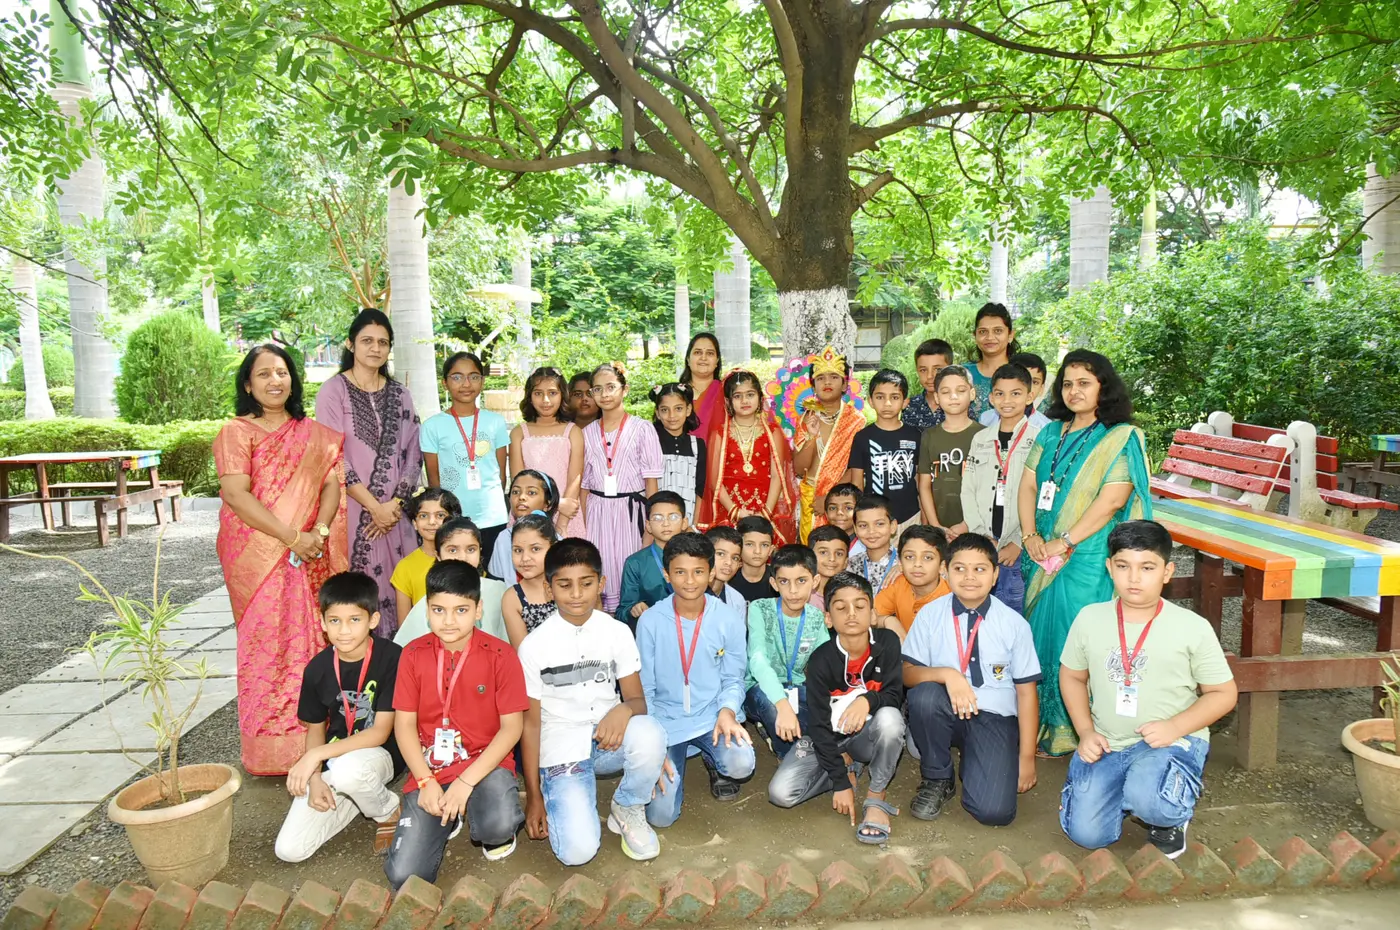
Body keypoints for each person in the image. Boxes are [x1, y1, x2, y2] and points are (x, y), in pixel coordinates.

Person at [1058, 521, 1237, 859]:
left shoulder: (1192, 627)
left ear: (1167, 572)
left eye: (1147, 567)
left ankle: (1168, 817)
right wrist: (1085, 731)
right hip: (1109, 742)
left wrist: (1175, 726)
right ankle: (1123, 791)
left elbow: (1223, 693)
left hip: (1172, 741)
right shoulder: (1089, 619)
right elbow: (1071, 676)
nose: (1134, 578)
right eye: (1123, 566)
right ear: (1109, 567)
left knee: (1152, 799)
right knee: (1087, 835)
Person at [215, 344, 349, 775]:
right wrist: (292, 537)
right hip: (259, 557)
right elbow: (236, 495)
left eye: (282, 372)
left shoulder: (315, 434)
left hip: (310, 554)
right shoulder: (237, 433)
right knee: (267, 649)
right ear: (247, 384)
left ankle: (320, 742)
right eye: (264, 374)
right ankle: (271, 751)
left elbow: (331, 484)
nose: (275, 381)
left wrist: (318, 535)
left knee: (315, 644)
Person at [1017, 349, 1153, 757]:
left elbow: (1113, 500)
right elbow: (1027, 486)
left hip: (1088, 554)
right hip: (1040, 550)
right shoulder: (1049, 433)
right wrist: (1029, 535)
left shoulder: (1120, 437)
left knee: (1076, 637)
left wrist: (1066, 541)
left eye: (1084, 383)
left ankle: (1080, 730)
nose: (1074, 391)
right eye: (1068, 383)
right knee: (1040, 634)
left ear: (1103, 387)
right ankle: (1039, 724)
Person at [520, 539, 669, 865]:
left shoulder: (617, 632)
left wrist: (624, 709)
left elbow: (637, 701)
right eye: (564, 585)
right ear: (548, 589)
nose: (576, 594)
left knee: (650, 733)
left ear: (601, 584)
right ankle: (559, 787)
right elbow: (529, 726)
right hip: (561, 748)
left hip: (608, 739)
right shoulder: (533, 646)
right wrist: (534, 796)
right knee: (577, 853)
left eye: (586, 583)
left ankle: (628, 805)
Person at [383, 561, 526, 888]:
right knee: (404, 876)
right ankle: (448, 814)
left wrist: (464, 782)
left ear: (478, 610)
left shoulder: (501, 655)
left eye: (461, 610)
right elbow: (404, 726)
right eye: (439, 610)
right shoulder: (412, 654)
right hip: (430, 767)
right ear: (427, 611)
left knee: (497, 825)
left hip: (484, 763)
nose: (449, 621)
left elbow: (512, 729)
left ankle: (471, 809)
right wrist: (424, 780)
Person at [902, 534, 1041, 826]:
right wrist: (947, 674)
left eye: (979, 569)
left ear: (995, 575)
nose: (969, 577)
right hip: (945, 708)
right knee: (923, 696)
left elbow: (1027, 692)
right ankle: (938, 777)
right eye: (959, 568)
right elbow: (908, 673)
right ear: (945, 571)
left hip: (994, 716)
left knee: (995, 813)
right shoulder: (930, 615)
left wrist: (1027, 757)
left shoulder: (1014, 624)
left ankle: (976, 758)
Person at [768, 572, 906, 845]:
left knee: (891, 719)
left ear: (872, 614)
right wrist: (840, 783)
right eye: (841, 608)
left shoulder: (888, 642)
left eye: (860, 606)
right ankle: (844, 766)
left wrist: (866, 700)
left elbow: (894, 695)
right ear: (828, 618)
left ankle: (876, 796)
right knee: (781, 794)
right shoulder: (820, 659)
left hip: (868, 737)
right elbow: (818, 726)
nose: (851, 614)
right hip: (829, 739)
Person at [275, 572, 403, 862]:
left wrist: (314, 757)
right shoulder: (316, 669)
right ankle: (358, 796)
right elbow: (315, 728)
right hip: (337, 761)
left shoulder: (392, 658)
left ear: (373, 620)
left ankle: (387, 810)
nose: (344, 630)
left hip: (381, 755)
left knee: (349, 772)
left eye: (354, 619)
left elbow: (380, 732)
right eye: (334, 620)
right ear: (322, 623)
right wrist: (315, 778)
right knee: (289, 850)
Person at [314, 309, 422, 636]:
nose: (375, 348)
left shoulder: (401, 395)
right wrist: (375, 507)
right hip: (352, 512)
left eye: (383, 342)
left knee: (403, 591)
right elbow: (333, 456)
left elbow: (413, 453)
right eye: (367, 341)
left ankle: (402, 660)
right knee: (359, 597)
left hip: (396, 516)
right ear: (351, 344)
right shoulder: (333, 391)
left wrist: (395, 505)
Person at [637, 533, 755, 821]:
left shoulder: (728, 618)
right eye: (680, 572)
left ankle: (711, 756)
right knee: (660, 817)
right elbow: (644, 687)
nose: (689, 581)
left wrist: (727, 711)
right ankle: (673, 755)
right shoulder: (650, 621)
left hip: (712, 717)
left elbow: (734, 678)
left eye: (698, 572)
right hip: (666, 722)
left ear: (711, 573)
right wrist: (651, 744)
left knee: (742, 763)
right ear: (666, 574)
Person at [581, 362, 664, 614]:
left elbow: (651, 483)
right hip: (597, 514)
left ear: (624, 389)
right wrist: (583, 526)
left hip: (631, 514)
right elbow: (584, 485)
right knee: (600, 571)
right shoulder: (586, 432)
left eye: (610, 387)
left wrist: (650, 527)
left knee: (630, 572)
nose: (604, 394)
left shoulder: (642, 428)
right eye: (597, 389)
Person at [962, 364, 1043, 616]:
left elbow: (1040, 496)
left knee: (1013, 614)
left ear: (1030, 396)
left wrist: (1019, 542)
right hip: (983, 542)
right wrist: (980, 536)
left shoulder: (1040, 439)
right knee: (979, 613)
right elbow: (968, 490)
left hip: (1016, 549)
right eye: (1000, 393)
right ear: (991, 398)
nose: (1007, 401)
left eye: (1015, 393)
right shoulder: (980, 439)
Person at [422, 352, 510, 570]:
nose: (466, 384)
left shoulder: (496, 422)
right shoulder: (432, 426)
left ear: (482, 381)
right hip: (453, 518)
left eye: (474, 376)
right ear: (445, 383)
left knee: (494, 577)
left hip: (493, 516)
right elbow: (434, 479)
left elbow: (501, 474)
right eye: (457, 377)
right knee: (458, 577)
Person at [743, 545, 829, 759]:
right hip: (758, 688)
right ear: (774, 584)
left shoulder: (816, 617)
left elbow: (826, 663)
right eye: (784, 582)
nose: (793, 590)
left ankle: (796, 741)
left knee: (827, 713)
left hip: (797, 687)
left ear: (815, 581)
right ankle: (787, 755)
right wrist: (782, 704)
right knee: (772, 707)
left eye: (801, 581)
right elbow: (758, 660)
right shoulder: (760, 609)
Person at [702, 370, 797, 543]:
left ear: (760, 398)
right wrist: (735, 511)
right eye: (737, 396)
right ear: (728, 401)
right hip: (729, 509)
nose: (744, 401)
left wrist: (765, 513)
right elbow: (714, 480)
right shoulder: (720, 434)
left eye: (750, 395)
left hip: (765, 509)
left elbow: (777, 476)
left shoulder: (772, 432)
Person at [393, 518, 509, 645]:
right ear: (438, 555)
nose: (462, 557)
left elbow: (506, 640)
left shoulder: (497, 590)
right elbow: (406, 646)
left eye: (471, 549)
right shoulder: (430, 601)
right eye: (452, 550)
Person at [791, 346, 862, 542]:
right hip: (810, 499)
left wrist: (830, 499)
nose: (827, 382)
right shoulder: (806, 419)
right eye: (820, 378)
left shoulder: (856, 421)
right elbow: (799, 469)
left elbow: (856, 468)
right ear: (813, 387)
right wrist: (811, 436)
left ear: (845, 385)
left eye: (834, 377)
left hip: (842, 502)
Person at [509, 367, 584, 536]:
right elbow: (519, 482)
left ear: (562, 395)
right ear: (529, 397)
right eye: (538, 393)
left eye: (552, 393)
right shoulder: (519, 433)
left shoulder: (573, 432)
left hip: (567, 515)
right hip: (527, 514)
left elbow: (574, 479)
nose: (545, 400)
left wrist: (562, 524)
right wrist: (556, 504)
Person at [845, 368, 921, 533]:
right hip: (875, 519)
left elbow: (919, 479)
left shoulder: (915, 435)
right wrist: (861, 517)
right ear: (870, 401)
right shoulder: (862, 437)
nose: (887, 403)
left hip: (911, 516)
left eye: (894, 397)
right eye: (880, 397)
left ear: (905, 402)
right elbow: (857, 483)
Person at [917, 365, 980, 535]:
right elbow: (924, 486)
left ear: (972, 394)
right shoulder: (929, 436)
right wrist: (935, 525)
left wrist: (968, 523)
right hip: (939, 528)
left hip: (976, 527)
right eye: (945, 392)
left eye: (961, 391)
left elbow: (988, 488)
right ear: (937, 397)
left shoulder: (984, 435)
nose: (953, 397)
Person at [617, 490, 692, 627]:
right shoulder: (635, 563)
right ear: (648, 526)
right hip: (653, 630)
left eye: (673, 517)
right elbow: (621, 612)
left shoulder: (696, 558)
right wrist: (633, 610)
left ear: (684, 522)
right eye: (658, 518)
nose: (666, 523)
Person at [390, 488, 461, 623]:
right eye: (423, 516)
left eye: (440, 515)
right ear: (414, 523)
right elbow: (404, 626)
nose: (432, 522)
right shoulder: (405, 567)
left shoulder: (464, 558)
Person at [874, 524, 950, 640]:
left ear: (942, 566)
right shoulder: (898, 583)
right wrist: (888, 620)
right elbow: (867, 616)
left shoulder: (951, 598)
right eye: (909, 557)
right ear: (900, 563)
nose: (917, 564)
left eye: (928, 558)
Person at [487, 469, 561, 581]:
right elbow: (496, 581)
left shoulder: (557, 542)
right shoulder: (504, 537)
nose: (521, 497)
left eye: (531, 493)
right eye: (515, 492)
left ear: (548, 504)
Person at [650, 383, 708, 525]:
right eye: (665, 410)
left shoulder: (697, 445)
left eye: (678, 409)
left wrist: (693, 525)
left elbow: (700, 488)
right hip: (658, 521)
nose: (672, 416)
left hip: (687, 521)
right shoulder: (650, 443)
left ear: (688, 409)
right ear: (657, 413)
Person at [501, 513, 559, 647]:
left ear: (553, 548)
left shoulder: (569, 585)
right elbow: (522, 652)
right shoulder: (513, 598)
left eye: (535, 549)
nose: (525, 558)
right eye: (518, 550)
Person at [966, 302, 1019, 419]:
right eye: (983, 331)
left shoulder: (1023, 373)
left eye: (998, 331)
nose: (990, 337)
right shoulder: (962, 374)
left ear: (1010, 335)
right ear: (975, 336)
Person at [980, 352, 1051, 429]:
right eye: (1021, 380)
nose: (1029, 387)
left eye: (1035, 382)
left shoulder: (1046, 427)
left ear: (1041, 389)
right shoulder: (986, 418)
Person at [847, 495, 899, 594]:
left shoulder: (904, 564)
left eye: (879, 524)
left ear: (893, 526)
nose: (871, 531)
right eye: (863, 525)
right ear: (855, 529)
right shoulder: (851, 565)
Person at [679, 332, 724, 441]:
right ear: (688, 359)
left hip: (721, 451)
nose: (703, 357)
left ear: (717, 361)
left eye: (710, 353)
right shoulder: (675, 393)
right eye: (697, 352)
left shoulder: (727, 393)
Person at [905, 338, 953, 431]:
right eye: (923, 370)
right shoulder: (909, 407)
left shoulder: (960, 406)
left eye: (938, 369)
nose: (930, 376)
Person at [728, 514, 776, 603]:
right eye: (749, 544)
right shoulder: (727, 579)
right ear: (738, 548)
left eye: (764, 545)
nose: (757, 551)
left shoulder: (779, 579)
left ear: (771, 550)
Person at [705, 525, 748, 615]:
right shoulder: (689, 592)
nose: (729, 562)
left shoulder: (737, 600)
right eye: (721, 554)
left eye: (735, 558)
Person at [808, 524, 851, 611]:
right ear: (810, 557)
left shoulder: (851, 595)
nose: (832, 559)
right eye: (823, 552)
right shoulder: (800, 595)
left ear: (846, 562)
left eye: (839, 554)